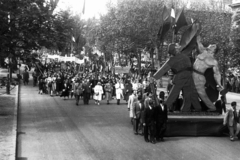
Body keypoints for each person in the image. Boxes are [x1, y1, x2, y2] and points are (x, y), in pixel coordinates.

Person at [153, 43, 202, 112]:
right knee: (188, 93)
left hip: (180, 77)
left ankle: (166, 107)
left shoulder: (173, 60)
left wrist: (154, 77)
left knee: (174, 93)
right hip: (188, 76)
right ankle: (189, 108)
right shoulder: (185, 57)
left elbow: (163, 69)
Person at [192, 36, 224, 111]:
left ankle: (212, 108)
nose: (210, 45)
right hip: (192, 73)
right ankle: (196, 107)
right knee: (191, 91)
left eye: (213, 46)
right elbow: (198, 42)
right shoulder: (203, 51)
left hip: (199, 77)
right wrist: (196, 29)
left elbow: (217, 74)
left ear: (214, 50)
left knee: (202, 94)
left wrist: (219, 84)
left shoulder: (213, 61)